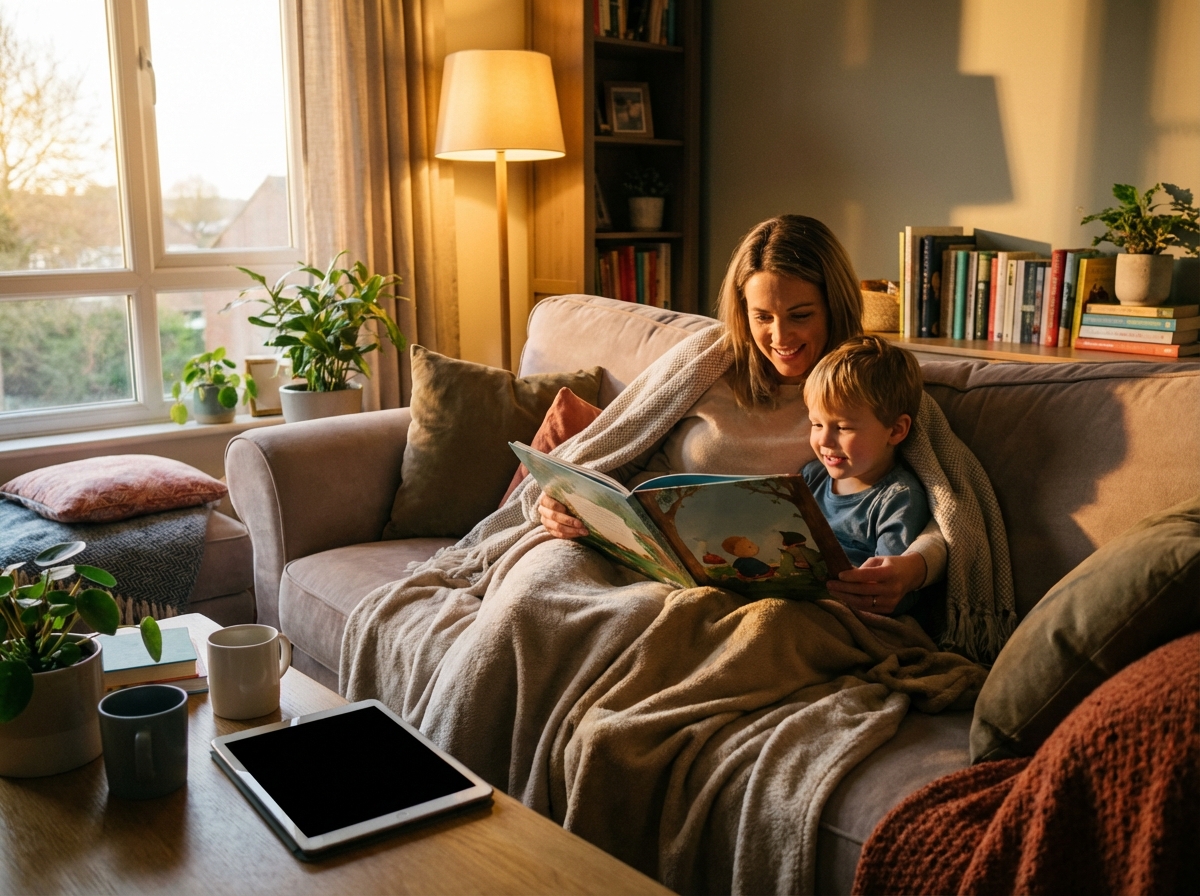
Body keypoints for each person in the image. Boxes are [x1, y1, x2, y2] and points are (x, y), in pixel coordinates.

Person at [538, 214, 946, 614]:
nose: (780, 337)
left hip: (736, 590)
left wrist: (916, 567)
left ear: (833, 306)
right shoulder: (706, 360)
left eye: (800, 315)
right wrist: (564, 502)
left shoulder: (866, 383)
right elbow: (616, 448)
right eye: (762, 317)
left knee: (636, 623)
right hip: (640, 553)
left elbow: (944, 505)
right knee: (539, 595)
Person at [802, 335, 930, 615]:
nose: (824, 440)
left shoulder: (898, 499)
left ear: (895, 430)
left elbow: (889, 591)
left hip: (850, 616)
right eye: (816, 423)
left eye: (843, 428)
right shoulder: (811, 477)